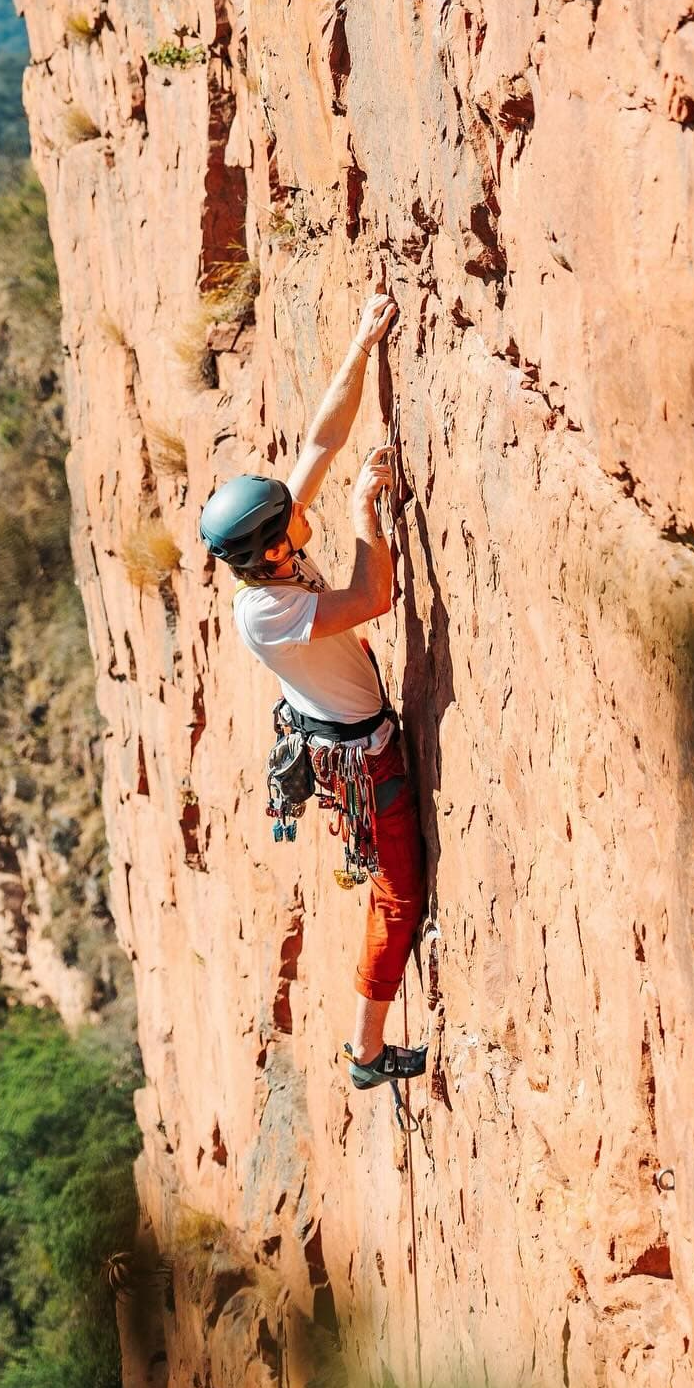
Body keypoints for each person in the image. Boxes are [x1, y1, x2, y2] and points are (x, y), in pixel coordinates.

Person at [198, 290, 428, 1101]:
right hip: (363, 756)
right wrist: (367, 513)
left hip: (344, 733)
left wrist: (362, 344)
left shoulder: (272, 557)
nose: (305, 520)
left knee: (392, 895)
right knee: (398, 901)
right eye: (290, 523)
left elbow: (320, 441)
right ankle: (366, 1052)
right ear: (268, 550)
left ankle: (368, 1042)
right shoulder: (268, 608)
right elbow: (371, 597)